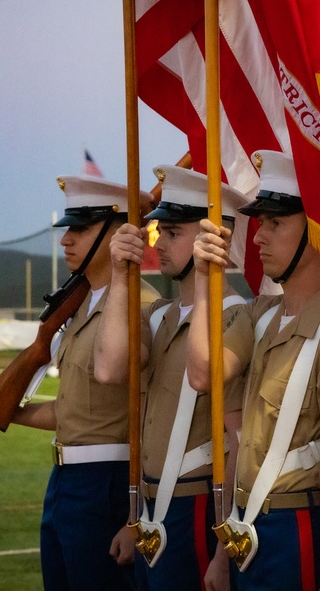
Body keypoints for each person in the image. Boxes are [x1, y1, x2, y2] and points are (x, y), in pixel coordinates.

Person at [0, 175, 158, 591]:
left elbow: (154, 418)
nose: (65, 240)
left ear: (117, 232)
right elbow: (74, 411)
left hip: (111, 484)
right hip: (66, 484)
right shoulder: (82, 306)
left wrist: (136, 514)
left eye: (81, 228)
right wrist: (7, 411)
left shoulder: (141, 308)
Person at [187, 151, 320, 590]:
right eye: (260, 222)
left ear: (317, 231)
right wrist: (206, 282)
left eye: (275, 223)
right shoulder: (259, 315)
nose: (258, 237)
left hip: (297, 531)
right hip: (246, 529)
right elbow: (204, 375)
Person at [94, 166, 250, 591]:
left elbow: (237, 442)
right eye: (159, 230)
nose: (157, 243)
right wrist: (120, 274)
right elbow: (109, 369)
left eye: (173, 233)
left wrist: (223, 545)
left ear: (214, 240)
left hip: (198, 509)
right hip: (151, 507)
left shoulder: (236, 317)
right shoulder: (159, 314)